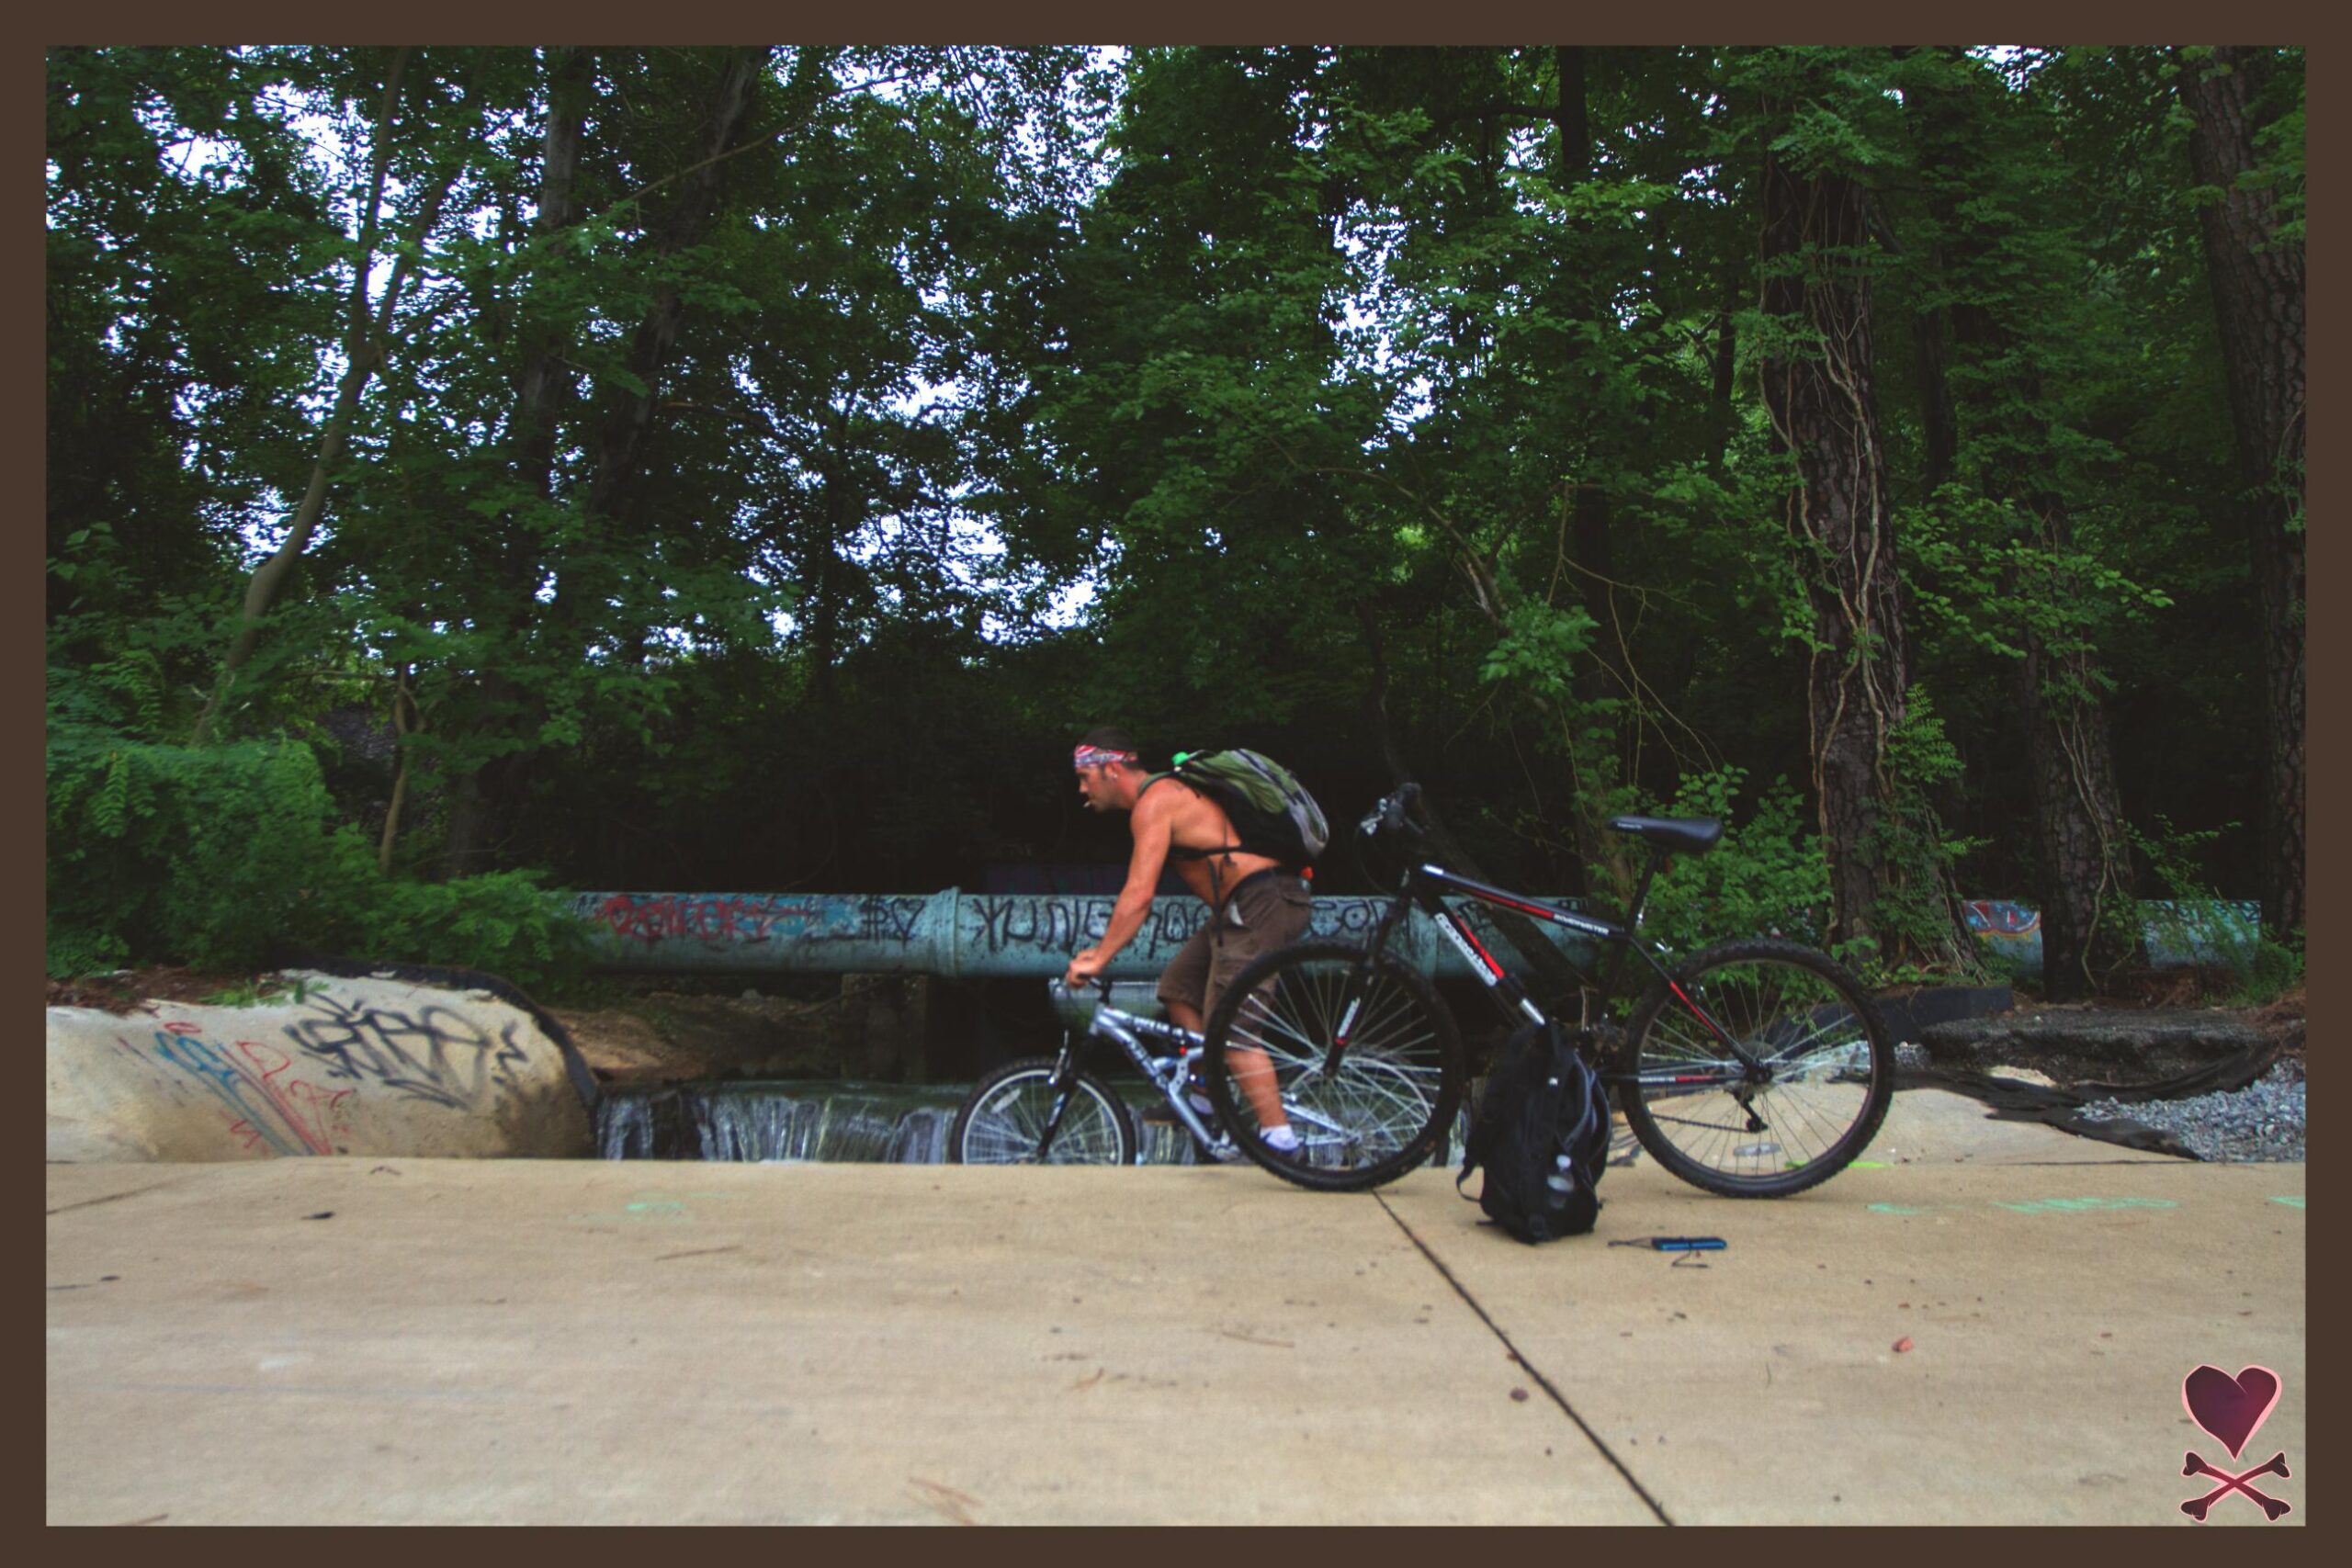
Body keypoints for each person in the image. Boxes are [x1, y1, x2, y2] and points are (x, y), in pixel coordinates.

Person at [1063, 728, 1310, 1152]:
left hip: (1261, 902)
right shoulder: (1163, 797)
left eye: (1085, 777)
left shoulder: (1155, 802)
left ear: (1110, 768)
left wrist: (1100, 958)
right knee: (1178, 988)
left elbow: (1138, 895)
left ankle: (1282, 1142)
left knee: (1231, 1029)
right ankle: (1205, 1097)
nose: (1082, 789)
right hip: (1241, 907)